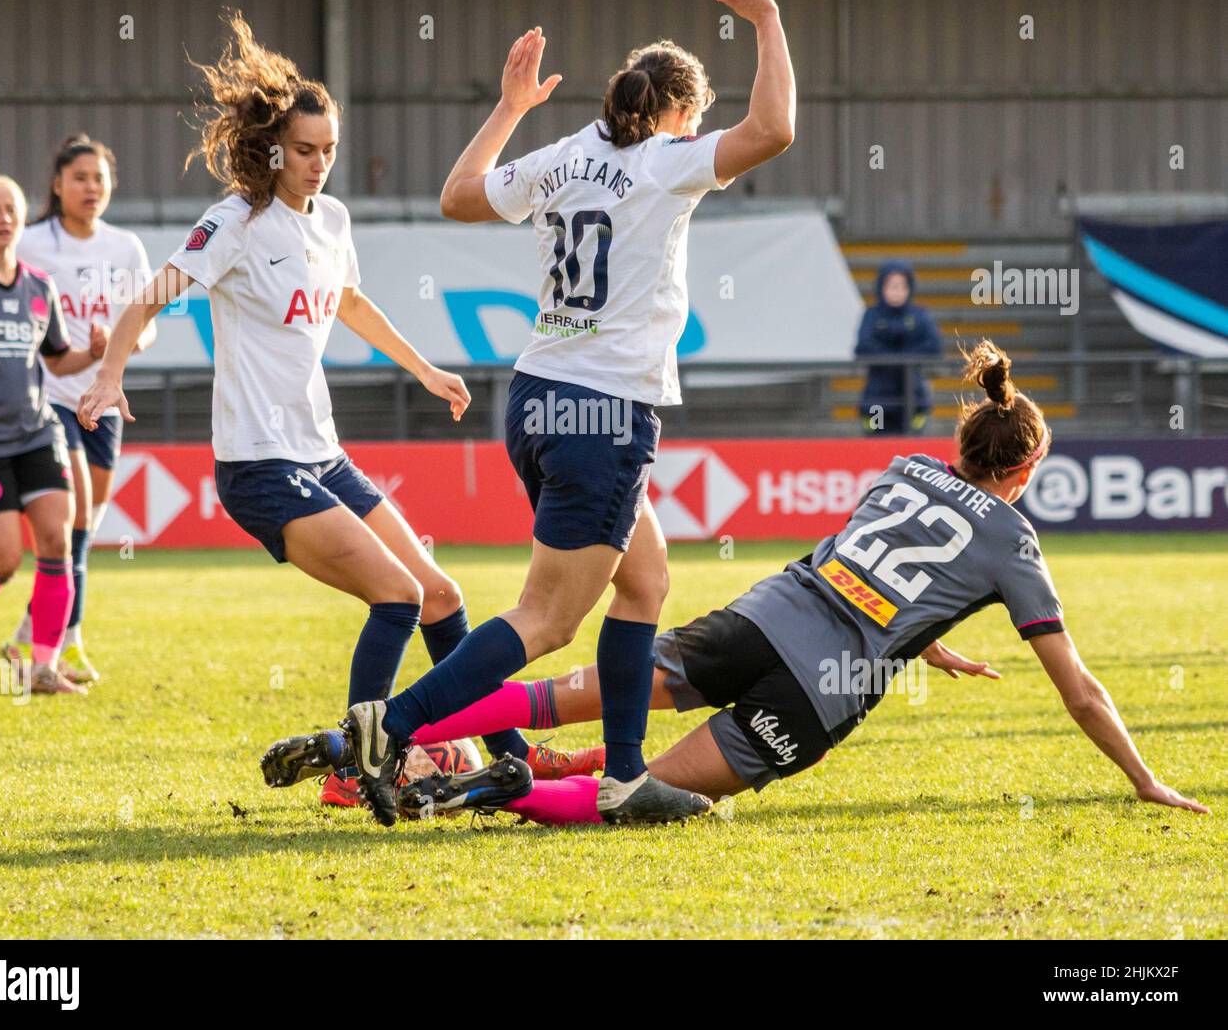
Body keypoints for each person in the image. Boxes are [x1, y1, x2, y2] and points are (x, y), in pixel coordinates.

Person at [262, 340, 1208, 823]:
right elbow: (1078, 689)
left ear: (965, 445)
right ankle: (482, 795)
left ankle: (385, 733)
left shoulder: (905, 473)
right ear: (1027, 467)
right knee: (654, 798)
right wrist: (1146, 777)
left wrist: (933, 635)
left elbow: (861, 569)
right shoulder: (1017, 543)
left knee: (563, 697)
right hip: (816, 690)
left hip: (760, 618)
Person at [273, 0, 798, 827]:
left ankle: (624, 776)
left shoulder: (564, 156)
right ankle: (387, 730)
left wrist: (511, 110)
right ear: (679, 113)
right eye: (694, 118)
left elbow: (456, 198)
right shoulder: (669, 160)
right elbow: (775, 129)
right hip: (606, 411)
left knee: (647, 581)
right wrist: (769, 20)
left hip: (539, 399)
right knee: (547, 618)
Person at [77, 14, 600, 806]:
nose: (319, 165)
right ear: (273, 150)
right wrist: (111, 373)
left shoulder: (333, 220)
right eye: (304, 150)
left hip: (322, 455)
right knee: (396, 596)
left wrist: (424, 368)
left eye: (329, 151)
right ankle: (357, 771)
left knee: (442, 596)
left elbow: (349, 300)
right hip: (259, 464)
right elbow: (149, 295)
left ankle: (512, 752)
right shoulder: (237, 221)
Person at [0, 171, 109, 695]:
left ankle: (43, 667)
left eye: (11, 210)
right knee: (4, 559)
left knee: (57, 539)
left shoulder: (39, 287)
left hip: (37, 431)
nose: (3, 219)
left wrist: (94, 353)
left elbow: (57, 357)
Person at [0, 134, 157, 684]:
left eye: (99, 179)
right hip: (48, 396)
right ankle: (66, 641)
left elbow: (148, 326)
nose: (91, 187)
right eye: (80, 177)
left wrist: (116, 341)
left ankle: (31, 632)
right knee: (76, 514)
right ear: (57, 184)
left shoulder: (125, 248)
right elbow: (2, 293)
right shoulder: (32, 243)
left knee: (85, 525)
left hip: (104, 395)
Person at [855, 259, 942, 434]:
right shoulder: (871, 315)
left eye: (902, 286)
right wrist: (894, 356)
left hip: (912, 399)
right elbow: (862, 347)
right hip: (877, 400)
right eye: (892, 286)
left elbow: (934, 346)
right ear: (882, 287)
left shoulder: (920, 316)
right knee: (876, 448)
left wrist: (904, 355)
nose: (897, 291)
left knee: (909, 449)